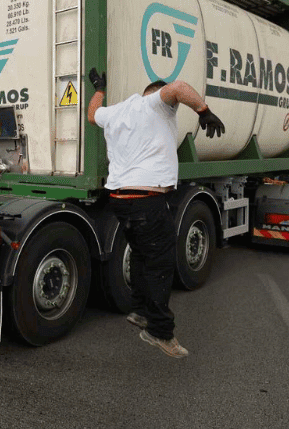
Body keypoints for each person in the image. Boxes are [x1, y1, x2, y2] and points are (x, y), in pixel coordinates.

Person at [87, 68, 224, 359]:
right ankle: (159, 331)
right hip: (146, 200)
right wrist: (203, 110)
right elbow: (178, 87)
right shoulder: (156, 103)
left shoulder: (115, 112)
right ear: (158, 95)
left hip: (120, 200)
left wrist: (99, 88)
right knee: (161, 263)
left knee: (140, 254)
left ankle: (139, 309)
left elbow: (92, 114)